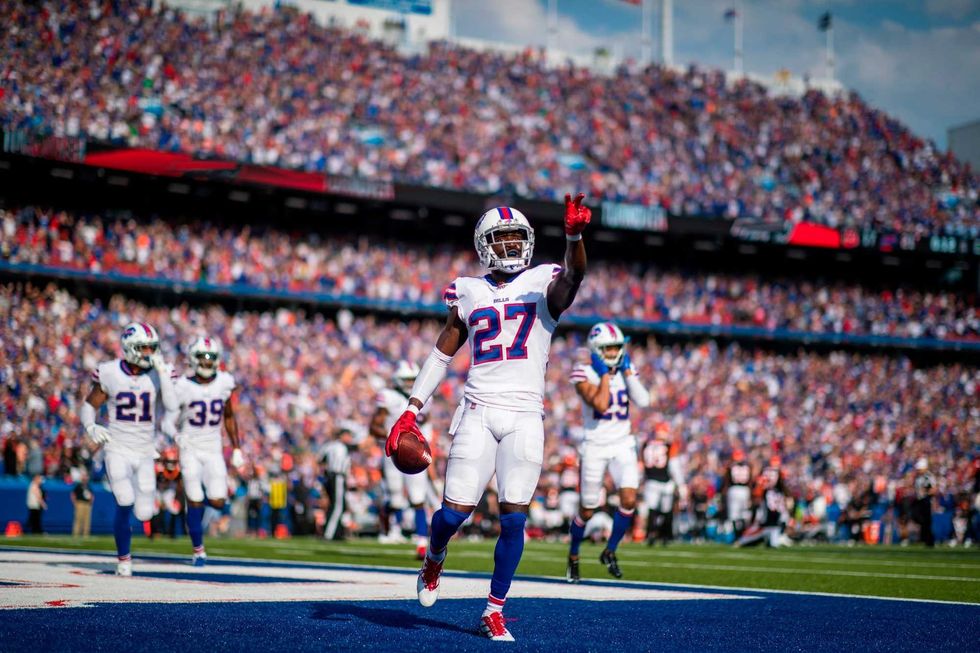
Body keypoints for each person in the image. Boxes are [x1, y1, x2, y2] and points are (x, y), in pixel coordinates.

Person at [385, 195, 591, 642]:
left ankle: (493, 609)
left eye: (518, 237)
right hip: (478, 410)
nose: (513, 244)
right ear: (484, 245)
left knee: (514, 518)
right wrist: (411, 408)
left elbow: (574, 275)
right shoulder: (468, 290)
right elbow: (441, 353)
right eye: (503, 238)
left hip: (525, 415)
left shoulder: (542, 281)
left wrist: (574, 237)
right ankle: (434, 555)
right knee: (453, 514)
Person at [80, 322, 178, 576]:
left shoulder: (159, 373)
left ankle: (127, 550)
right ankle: (124, 559)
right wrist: (90, 425)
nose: (150, 353)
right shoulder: (111, 372)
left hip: (145, 450)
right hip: (118, 447)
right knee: (124, 499)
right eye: (145, 348)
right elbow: (90, 404)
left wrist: (163, 375)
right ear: (130, 348)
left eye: (152, 348)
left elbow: (172, 405)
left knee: (145, 512)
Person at [565, 322, 650, 583]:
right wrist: (604, 375)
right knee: (588, 509)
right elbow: (601, 404)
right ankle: (574, 555)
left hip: (623, 443)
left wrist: (628, 374)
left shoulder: (625, 369)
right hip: (595, 446)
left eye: (617, 347)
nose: (614, 352)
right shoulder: (583, 372)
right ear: (596, 349)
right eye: (609, 348)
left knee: (629, 500)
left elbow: (644, 401)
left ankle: (610, 551)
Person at [162, 336, 243, 566]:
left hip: (213, 449)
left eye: (211, 358)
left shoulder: (224, 382)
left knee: (218, 500)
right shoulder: (182, 386)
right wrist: (176, 436)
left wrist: (237, 448)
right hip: (190, 448)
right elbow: (166, 422)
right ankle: (198, 550)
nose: (207, 362)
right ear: (193, 359)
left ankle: (193, 508)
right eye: (203, 357)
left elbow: (229, 416)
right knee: (195, 499)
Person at [370, 360, 436, 557]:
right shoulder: (388, 396)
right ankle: (389, 523)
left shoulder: (426, 398)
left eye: (412, 379)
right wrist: (395, 437)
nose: (409, 383)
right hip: (393, 451)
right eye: (406, 379)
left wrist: (422, 443)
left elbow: (426, 423)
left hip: (415, 452)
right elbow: (373, 427)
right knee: (396, 498)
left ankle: (422, 541)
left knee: (418, 496)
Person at [641, 429, 686, 545]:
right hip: (665, 482)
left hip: (650, 481)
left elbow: (641, 464)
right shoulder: (669, 446)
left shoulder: (646, 445)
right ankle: (666, 535)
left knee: (652, 509)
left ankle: (651, 533)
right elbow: (674, 467)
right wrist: (681, 484)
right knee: (666, 510)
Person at [321, 427, 356, 541]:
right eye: (348, 436)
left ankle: (337, 532)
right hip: (338, 476)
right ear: (342, 436)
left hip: (331, 476)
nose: (350, 439)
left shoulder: (329, 445)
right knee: (338, 506)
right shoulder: (341, 446)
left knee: (337, 505)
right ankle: (329, 533)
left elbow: (320, 460)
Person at [724, 449, 752, 538]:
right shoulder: (747, 466)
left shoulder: (730, 466)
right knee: (744, 513)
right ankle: (742, 535)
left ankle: (737, 535)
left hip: (734, 489)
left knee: (734, 515)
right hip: (745, 490)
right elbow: (750, 480)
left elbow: (727, 480)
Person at [913, 458, 936, 547]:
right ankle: (925, 538)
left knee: (927, 521)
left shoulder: (929, 477)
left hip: (926, 500)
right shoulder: (918, 477)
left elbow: (933, 489)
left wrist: (925, 493)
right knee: (919, 519)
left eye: (920, 469)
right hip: (919, 500)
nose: (918, 470)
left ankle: (929, 541)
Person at [71, 470, 94, 538]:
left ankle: (86, 534)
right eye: (84, 476)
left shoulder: (88, 486)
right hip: (80, 503)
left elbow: (91, 494)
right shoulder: (78, 485)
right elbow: (73, 494)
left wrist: (91, 501)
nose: (85, 478)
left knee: (87, 520)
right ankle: (76, 534)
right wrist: (75, 502)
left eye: (86, 476)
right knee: (78, 519)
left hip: (87, 504)